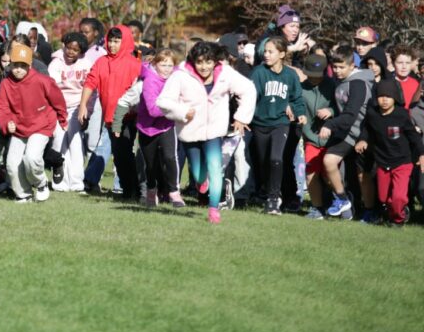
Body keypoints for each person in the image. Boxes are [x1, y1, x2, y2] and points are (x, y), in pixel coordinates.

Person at [156, 41, 256, 223]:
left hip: (214, 131)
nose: (204, 67)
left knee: (215, 168)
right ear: (193, 61)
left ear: (215, 61)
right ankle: (202, 181)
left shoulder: (225, 73)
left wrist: (242, 117)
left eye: (208, 62)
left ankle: (213, 209)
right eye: (200, 62)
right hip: (190, 131)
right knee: (198, 174)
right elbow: (163, 101)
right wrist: (182, 111)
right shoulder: (180, 75)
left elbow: (248, 89)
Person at [0, 41, 67, 203]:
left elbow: (58, 100)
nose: (18, 69)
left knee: (32, 158)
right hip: (19, 128)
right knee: (12, 165)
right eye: (15, 65)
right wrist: (6, 122)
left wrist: (62, 118)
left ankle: (40, 183)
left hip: (41, 125)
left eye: (23, 65)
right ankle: (24, 194)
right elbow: (1, 108)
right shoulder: (6, 84)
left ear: (30, 65)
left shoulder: (42, 81)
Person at [78, 25, 142, 200]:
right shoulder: (102, 62)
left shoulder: (134, 64)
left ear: (126, 41)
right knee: (120, 156)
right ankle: (131, 190)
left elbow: (140, 89)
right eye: (110, 41)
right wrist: (83, 105)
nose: (112, 45)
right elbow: (90, 82)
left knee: (124, 155)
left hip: (127, 117)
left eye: (117, 41)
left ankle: (133, 190)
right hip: (109, 117)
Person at [114, 49, 183, 207]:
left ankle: (174, 192)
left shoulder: (177, 80)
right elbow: (124, 102)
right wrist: (117, 124)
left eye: (170, 65)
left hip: (166, 126)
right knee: (150, 164)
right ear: (154, 65)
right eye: (163, 64)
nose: (166, 68)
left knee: (170, 157)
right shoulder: (143, 84)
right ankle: (151, 190)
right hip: (146, 127)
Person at [248, 36, 307, 214]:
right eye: (265, 51)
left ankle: (273, 200)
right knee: (264, 161)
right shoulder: (258, 72)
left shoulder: (290, 75)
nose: (266, 55)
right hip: (260, 123)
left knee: (276, 159)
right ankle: (268, 192)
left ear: (281, 54)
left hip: (280, 123)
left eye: (270, 51)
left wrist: (300, 113)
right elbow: (251, 96)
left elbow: (297, 98)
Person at [356, 78, 424, 227]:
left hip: (402, 162)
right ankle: (395, 211)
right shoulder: (372, 114)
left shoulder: (402, 115)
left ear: (395, 98)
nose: (384, 100)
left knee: (398, 197)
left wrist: (421, 154)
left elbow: (414, 136)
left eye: (389, 96)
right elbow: (367, 129)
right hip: (382, 162)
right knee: (383, 197)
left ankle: (399, 219)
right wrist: (363, 140)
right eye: (381, 96)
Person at [317, 45, 376, 219]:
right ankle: (343, 200)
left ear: (352, 65)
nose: (337, 71)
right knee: (329, 163)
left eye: (341, 67)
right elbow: (341, 107)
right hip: (346, 132)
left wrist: (330, 125)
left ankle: (370, 211)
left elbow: (351, 115)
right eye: (334, 67)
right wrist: (331, 111)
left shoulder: (358, 83)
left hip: (359, 132)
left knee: (362, 176)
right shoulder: (341, 82)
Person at [47, 32, 95, 193]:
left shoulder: (86, 64)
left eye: (75, 50)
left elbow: (92, 90)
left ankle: (76, 182)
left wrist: (87, 111)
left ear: (81, 51)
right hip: (58, 107)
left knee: (74, 141)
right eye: (68, 48)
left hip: (77, 107)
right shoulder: (55, 63)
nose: (71, 52)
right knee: (59, 141)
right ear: (64, 46)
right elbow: (51, 89)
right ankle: (60, 181)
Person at [299, 54, 336, 220]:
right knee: (311, 173)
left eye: (317, 75)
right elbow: (295, 103)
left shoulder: (333, 86)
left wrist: (331, 111)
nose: (314, 79)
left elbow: (342, 106)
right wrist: (296, 112)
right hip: (311, 138)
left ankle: (337, 203)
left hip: (333, 140)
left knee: (330, 175)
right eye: (311, 75)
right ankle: (317, 208)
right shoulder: (301, 87)